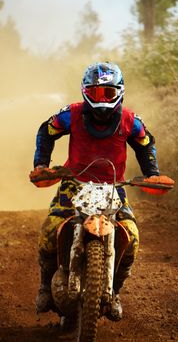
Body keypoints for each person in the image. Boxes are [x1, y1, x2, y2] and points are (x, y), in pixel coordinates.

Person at [30, 61, 161, 322]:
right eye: (96, 93)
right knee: (49, 229)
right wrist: (41, 165)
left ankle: (115, 292)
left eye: (108, 93)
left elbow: (145, 143)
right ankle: (45, 285)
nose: (102, 99)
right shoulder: (72, 114)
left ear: (119, 92)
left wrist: (153, 174)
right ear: (84, 92)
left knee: (132, 236)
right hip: (73, 182)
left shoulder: (130, 120)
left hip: (114, 186)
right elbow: (46, 130)